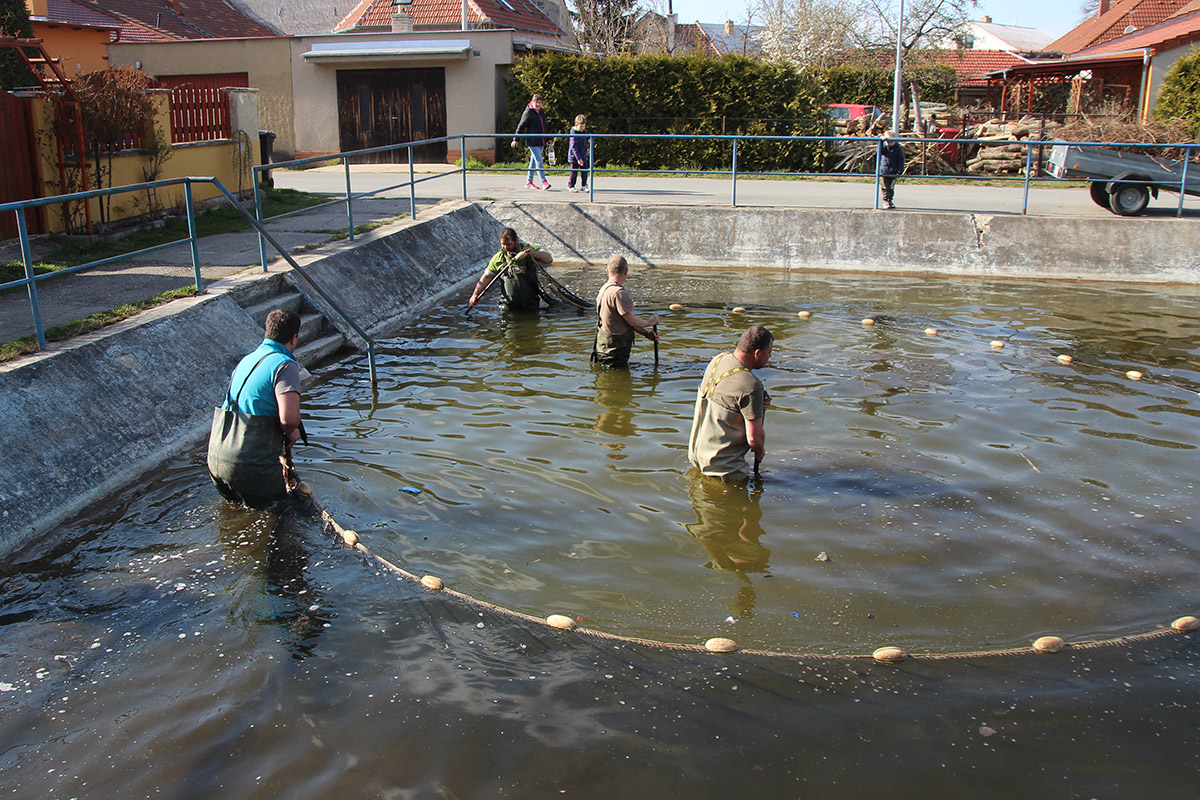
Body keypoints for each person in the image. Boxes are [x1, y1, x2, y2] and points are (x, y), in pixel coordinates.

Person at [207, 308, 305, 508]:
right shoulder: (284, 364)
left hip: (217, 455)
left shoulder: (247, 360)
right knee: (282, 516)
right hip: (248, 463)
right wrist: (291, 433)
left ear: (266, 332)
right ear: (294, 338)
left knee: (237, 512)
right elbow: (289, 419)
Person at [688, 324, 773, 481]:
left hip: (697, 458)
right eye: (769, 352)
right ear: (757, 353)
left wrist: (756, 407)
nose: (770, 357)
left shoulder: (718, 360)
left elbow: (729, 403)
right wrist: (760, 452)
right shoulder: (751, 385)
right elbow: (754, 438)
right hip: (725, 470)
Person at [592, 255, 659, 368]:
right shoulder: (620, 293)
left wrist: (646, 333)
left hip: (603, 347)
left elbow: (625, 320)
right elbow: (632, 321)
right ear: (626, 271)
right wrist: (650, 322)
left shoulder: (604, 289)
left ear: (607, 271)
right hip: (615, 351)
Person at [468, 227, 553, 312]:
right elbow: (486, 277)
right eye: (503, 244)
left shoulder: (528, 249)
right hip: (509, 306)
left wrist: (535, 254)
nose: (506, 247)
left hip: (530, 304)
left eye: (509, 244)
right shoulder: (498, 258)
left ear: (516, 241)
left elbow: (549, 259)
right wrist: (475, 295)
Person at [511, 93, 551, 190]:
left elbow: (544, 126)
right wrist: (516, 139)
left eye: (540, 103)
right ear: (532, 102)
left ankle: (529, 181)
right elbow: (521, 125)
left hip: (540, 140)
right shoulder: (528, 112)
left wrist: (548, 138)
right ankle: (544, 181)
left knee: (533, 161)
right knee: (539, 160)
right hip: (532, 141)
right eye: (537, 102)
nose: (538, 104)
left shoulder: (541, 112)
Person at [879, 131, 905, 210]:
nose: (890, 143)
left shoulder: (897, 148)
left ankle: (890, 199)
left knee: (891, 187)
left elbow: (901, 159)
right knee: (885, 187)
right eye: (888, 141)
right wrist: (881, 141)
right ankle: (886, 200)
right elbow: (878, 151)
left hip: (894, 170)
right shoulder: (883, 147)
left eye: (892, 141)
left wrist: (900, 170)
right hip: (884, 170)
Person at [567, 114, 589, 193]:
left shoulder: (583, 132)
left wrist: (585, 152)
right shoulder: (573, 133)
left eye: (583, 126)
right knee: (574, 171)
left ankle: (584, 185)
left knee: (584, 170)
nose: (582, 128)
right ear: (576, 125)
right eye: (581, 126)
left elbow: (583, 144)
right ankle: (571, 185)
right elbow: (574, 147)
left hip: (582, 154)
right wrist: (578, 158)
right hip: (574, 156)